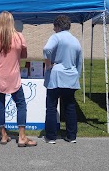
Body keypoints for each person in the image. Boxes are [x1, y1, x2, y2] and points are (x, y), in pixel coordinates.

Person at [0, 11, 37, 147]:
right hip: (13, 75)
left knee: (0, 103)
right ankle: (22, 136)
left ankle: (3, 136)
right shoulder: (19, 37)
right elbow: (24, 55)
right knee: (21, 104)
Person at [43, 15, 81, 144]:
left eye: (54, 27)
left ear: (58, 26)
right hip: (71, 76)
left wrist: (48, 65)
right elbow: (79, 61)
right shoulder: (75, 40)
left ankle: (51, 136)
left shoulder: (56, 37)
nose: (54, 29)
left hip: (56, 76)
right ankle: (71, 136)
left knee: (52, 106)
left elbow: (47, 49)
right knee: (70, 106)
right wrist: (77, 76)